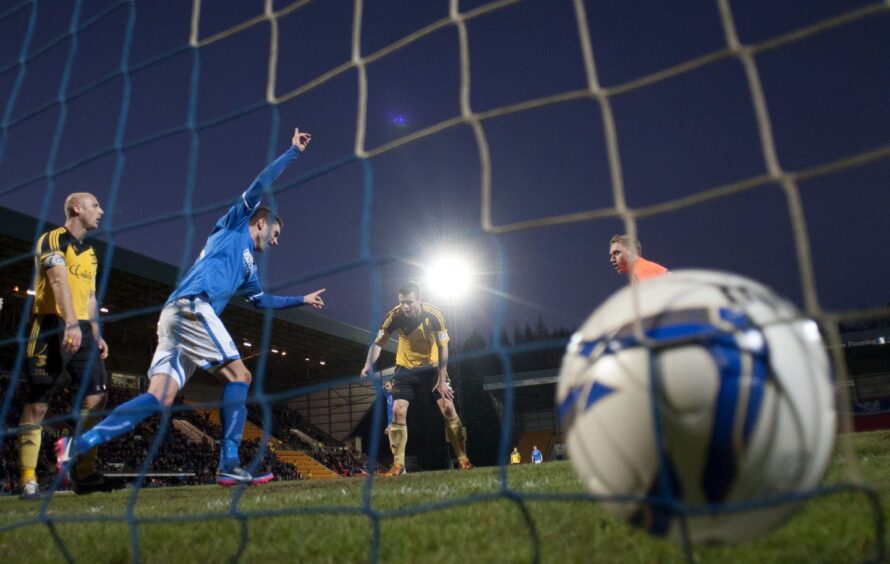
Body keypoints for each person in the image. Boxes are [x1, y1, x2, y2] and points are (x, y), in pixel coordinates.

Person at [58, 127, 325, 487]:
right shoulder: (232, 227)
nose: (275, 242)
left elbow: (261, 301)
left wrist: (301, 300)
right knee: (240, 376)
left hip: (174, 318)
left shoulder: (248, 267)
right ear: (260, 223)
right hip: (190, 308)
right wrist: (293, 152)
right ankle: (229, 463)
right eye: (275, 234)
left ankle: (77, 444)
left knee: (159, 397)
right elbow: (261, 183)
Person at [17, 192, 120, 499]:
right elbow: (58, 280)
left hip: (83, 331)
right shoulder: (52, 239)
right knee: (38, 404)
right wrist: (71, 323)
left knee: (97, 399)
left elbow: (90, 296)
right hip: (51, 326)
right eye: (95, 206)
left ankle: (86, 473)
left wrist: (95, 332)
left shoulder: (90, 252)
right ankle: (27, 479)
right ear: (76, 208)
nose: (101, 211)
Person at [360, 281, 473, 476]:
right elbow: (377, 344)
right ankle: (397, 465)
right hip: (406, 368)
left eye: (410, 302)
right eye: (402, 302)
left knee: (448, 407)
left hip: (433, 367)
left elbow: (443, 346)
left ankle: (463, 459)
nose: (405, 307)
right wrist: (367, 365)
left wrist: (442, 377)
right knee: (397, 410)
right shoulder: (394, 316)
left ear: (419, 300)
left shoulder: (434, 315)